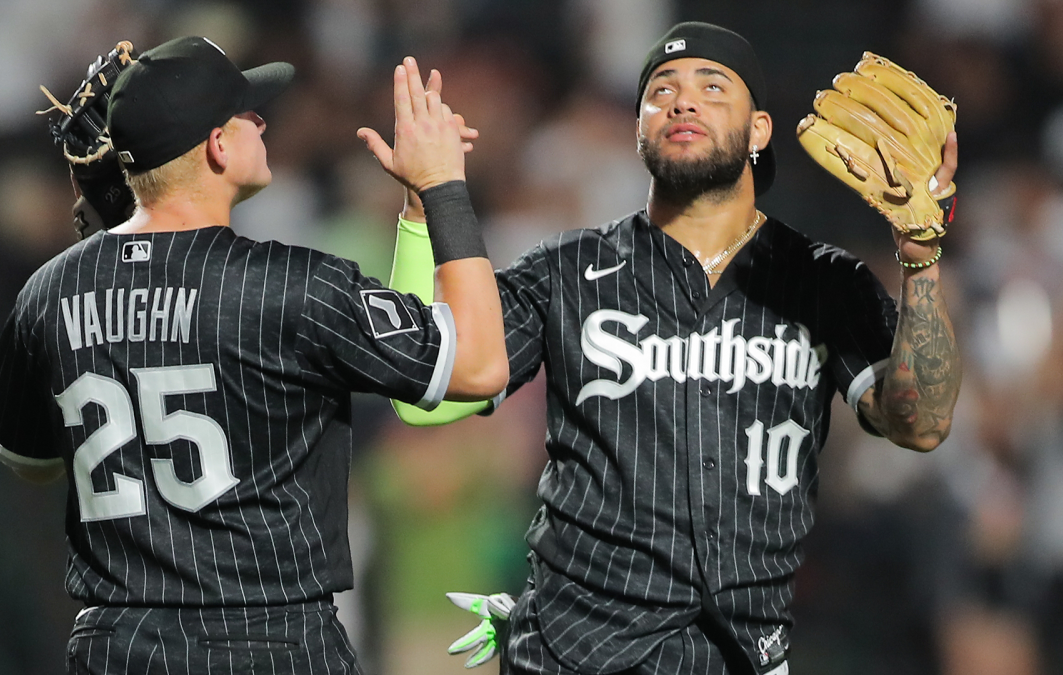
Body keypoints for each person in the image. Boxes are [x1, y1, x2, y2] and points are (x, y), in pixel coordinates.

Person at [387, 22, 961, 675]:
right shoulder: (567, 269)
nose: (682, 101)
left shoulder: (822, 280)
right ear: (638, 132)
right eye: (661, 90)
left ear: (760, 130)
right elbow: (426, 399)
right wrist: (418, 210)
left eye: (712, 86)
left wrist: (921, 261)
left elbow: (922, 421)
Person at [0, 36, 507, 674]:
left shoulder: (47, 291)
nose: (262, 120)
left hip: (114, 648)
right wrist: (442, 187)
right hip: (268, 642)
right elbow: (480, 367)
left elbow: (26, 458)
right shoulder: (291, 287)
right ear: (217, 146)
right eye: (246, 112)